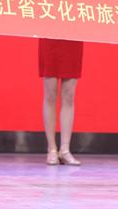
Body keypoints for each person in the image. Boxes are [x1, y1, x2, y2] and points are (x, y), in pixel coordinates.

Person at [39, 37, 84, 166]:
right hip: (50, 37)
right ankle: (51, 149)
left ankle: (65, 150)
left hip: (72, 38)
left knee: (69, 96)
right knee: (50, 94)